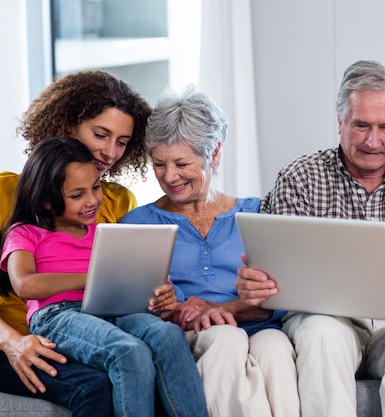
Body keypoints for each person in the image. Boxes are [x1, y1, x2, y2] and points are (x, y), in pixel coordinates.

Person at [235, 59, 385, 417]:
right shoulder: (300, 177)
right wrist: (259, 284)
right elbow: (280, 274)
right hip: (324, 317)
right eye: (361, 125)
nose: (373, 140)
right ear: (339, 122)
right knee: (322, 334)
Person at [121, 85, 300, 417]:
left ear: (214, 153)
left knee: (276, 350)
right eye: (159, 164)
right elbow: (134, 307)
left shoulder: (257, 214)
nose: (169, 176)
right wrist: (172, 308)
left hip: (260, 330)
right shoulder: (137, 224)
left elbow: (280, 301)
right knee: (225, 340)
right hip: (192, 340)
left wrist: (226, 307)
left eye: (181, 163)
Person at [1, 137, 209, 417]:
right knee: (127, 352)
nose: (92, 200)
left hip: (109, 309)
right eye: (77, 195)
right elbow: (25, 285)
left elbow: (128, 281)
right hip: (57, 316)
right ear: (47, 202)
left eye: (95, 187)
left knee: (168, 334)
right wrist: (91, 277)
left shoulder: (105, 231)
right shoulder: (25, 233)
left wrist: (156, 290)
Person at [0, 70, 152, 415]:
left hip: (87, 333)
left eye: (123, 141)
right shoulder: (4, 192)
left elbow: (122, 281)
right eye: (101, 134)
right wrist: (12, 342)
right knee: (95, 388)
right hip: (19, 336)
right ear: (68, 125)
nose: (110, 151)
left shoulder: (117, 201)